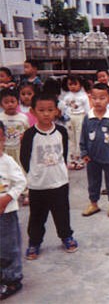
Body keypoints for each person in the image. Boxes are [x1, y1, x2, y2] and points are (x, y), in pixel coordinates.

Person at [20, 93, 78, 260]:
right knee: (37, 216)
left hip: (59, 182)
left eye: (50, 110)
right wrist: (34, 175)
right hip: (38, 185)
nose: (46, 114)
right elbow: (24, 158)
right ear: (33, 111)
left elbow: (64, 153)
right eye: (41, 110)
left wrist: (61, 172)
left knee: (62, 213)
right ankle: (35, 242)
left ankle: (66, 236)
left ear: (57, 112)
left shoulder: (61, 131)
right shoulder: (30, 135)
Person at [80, 83, 109, 218]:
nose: (98, 101)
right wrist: (84, 153)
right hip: (92, 159)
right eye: (94, 98)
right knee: (93, 181)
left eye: (102, 98)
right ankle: (94, 203)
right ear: (90, 98)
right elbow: (83, 137)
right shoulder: (88, 118)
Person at [0, 120, 27, 300]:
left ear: (3, 139)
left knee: (9, 247)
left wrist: (6, 199)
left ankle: (12, 279)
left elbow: (21, 182)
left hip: (6, 214)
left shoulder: (7, 161)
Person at [60, 76, 90, 170]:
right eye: (70, 84)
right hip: (69, 118)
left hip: (80, 117)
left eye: (75, 84)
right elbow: (63, 107)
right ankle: (71, 160)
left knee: (79, 139)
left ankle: (80, 160)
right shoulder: (66, 96)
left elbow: (87, 109)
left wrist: (88, 120)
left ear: (80, 84)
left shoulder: (84, 96)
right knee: (70, 139)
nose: (72, 86)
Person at [0, 88, 30, 166]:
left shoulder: (23, 118)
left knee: (20, 168)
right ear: (1, 105)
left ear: (18, 102)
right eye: (6, 102)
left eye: (12, 101)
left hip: (18, 149)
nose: (10, 104)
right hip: (4, 149)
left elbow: (28, 131)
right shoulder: (0, 117)